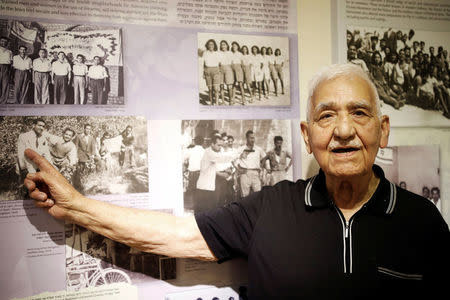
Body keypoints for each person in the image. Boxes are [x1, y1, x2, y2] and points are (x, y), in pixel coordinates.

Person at [23, 64, 449, 299]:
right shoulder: (270, 208)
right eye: (326, 116)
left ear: (383, 128)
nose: (342, 131)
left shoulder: (424, 222)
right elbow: (174, 235)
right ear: (307, 135)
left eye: (359, 113)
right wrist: (75, 205)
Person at [235, 130, 266, 197]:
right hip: (245, 173)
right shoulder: (241, 149)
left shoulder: (258, 149)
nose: (253, 140)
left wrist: (262, 168)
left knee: (258, 195)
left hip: (256, 173)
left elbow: (265, 157)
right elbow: (233, 159)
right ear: (247, 138)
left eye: (253, 138)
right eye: (251, 138)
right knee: (245, 196)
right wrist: (238, 169)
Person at [202, 39, 222, 105]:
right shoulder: (205, 53)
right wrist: (203, 73)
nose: (211, 45)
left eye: (212, 44)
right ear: (207, 45)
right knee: (210, 89)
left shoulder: (217, 53)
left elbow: (220, 64)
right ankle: (211, 103)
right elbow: (204, 64)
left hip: (216, 70)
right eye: (209, 44)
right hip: (207, 71)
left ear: (214, 45)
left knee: (216, 89)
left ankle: (216, 103)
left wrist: (219, 71)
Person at [0, 36, 12, 104]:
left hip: (6, 68)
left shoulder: (9, 52)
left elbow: (11, 62)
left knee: (5, 85)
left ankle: (3, 101)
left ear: (7, 43)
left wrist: (9, 70)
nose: (3, 43)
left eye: (5, 42)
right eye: (2, 41)